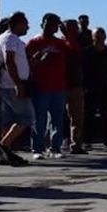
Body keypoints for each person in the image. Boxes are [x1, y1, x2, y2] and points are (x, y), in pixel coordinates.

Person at [25, 13, 70, 159]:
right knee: (39, 119)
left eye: (55, 24)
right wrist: (41, 59)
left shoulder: (61, 43)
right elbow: (27, 64)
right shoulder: (33, 43)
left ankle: (55, 148)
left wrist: (68, 34)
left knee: (58, 119)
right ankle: (37, 149)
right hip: (41, 86)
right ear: (42, 24)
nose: (51, 27)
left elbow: (74, 52)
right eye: (48, 23)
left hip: (58, 87)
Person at [0, 11, 33, 166]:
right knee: (27, 117)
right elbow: (9, 61)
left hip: (6, 85)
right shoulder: (10, 39)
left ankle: (5, 154)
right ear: (18, 23)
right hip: (11, 85)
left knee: (8, 119)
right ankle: (3, 145)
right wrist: (18, 84)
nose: (27, 27)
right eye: (25, 24)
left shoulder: (4, 38)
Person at [82, 27, 107, 148]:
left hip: (106, 87)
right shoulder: (86, 52)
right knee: (88, 115)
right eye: (97, 35)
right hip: (90, 87)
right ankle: (87, 140)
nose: (99, 37)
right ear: (92, 37)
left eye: (102, 35)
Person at [61, 19, 87, 154]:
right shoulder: (62, 43)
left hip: (75, 84)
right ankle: (54, 143)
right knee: (58, 116)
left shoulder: (79, 42)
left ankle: (76, 144)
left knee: (76, 117)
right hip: (63, 84)